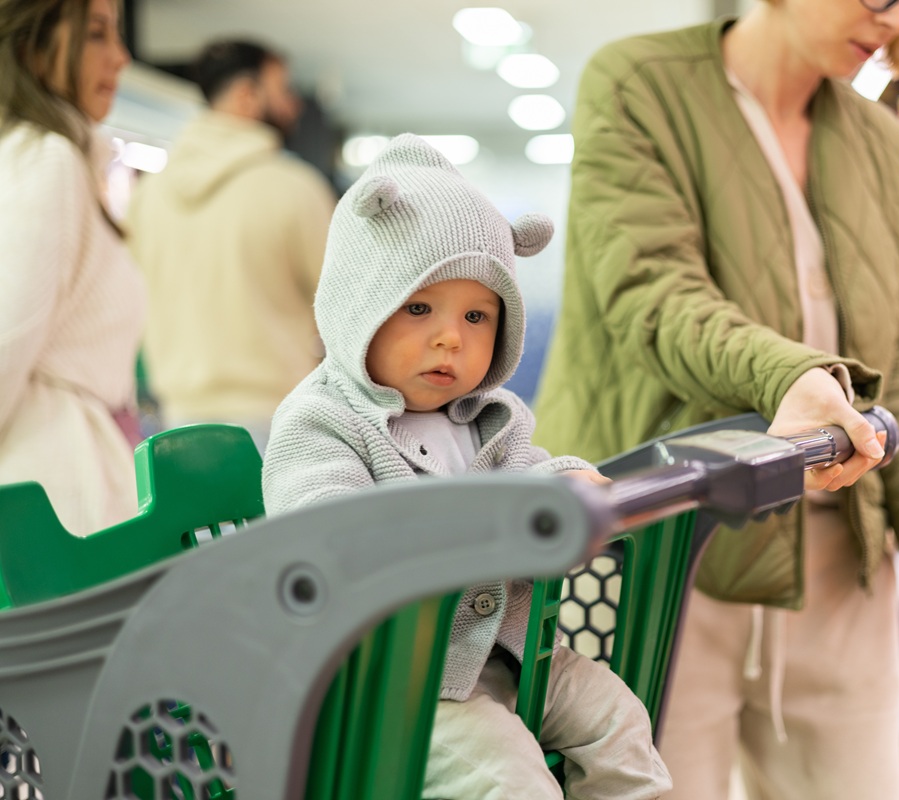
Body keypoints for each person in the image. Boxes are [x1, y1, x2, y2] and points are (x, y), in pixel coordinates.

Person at [532, 1, 899, 797]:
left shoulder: (878, 140)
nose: (898, 18)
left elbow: (898, 360)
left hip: (842, 565)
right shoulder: (639, 86)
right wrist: (788, 379)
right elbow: (654, 297)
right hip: (664, 554)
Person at [261, 134, 672, 800]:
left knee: (620, 721)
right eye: (419, 308)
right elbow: (318, 533)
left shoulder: (489, 418)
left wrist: (567, 489)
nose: (452, 337)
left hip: (505, 655)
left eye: (477, 315)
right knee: (509, 777)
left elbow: (532, 477)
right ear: (357, 302)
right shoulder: (324, 420)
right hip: (388, 683)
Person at [127, 39, 334, 450]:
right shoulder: (294, 187)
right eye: (283, 90)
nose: (293, 105)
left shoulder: (148, 194)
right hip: (277, 418)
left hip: (175, 422)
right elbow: (342, 305)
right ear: (246, 95)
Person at [0, 0, 145, 535]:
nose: (121, 58)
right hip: (56, 497)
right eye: (96, 35)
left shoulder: (56, 159)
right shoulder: (47, 161)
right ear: (32, 47)